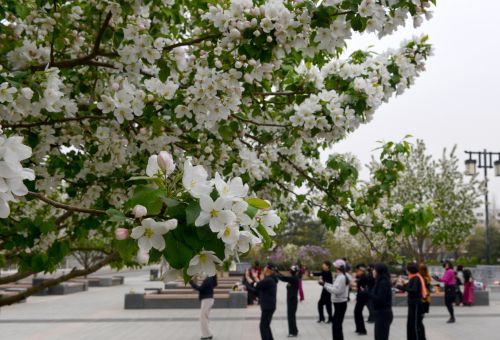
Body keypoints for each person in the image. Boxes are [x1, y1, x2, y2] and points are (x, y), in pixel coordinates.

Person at [396, 263, 427, 340]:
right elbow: (410, 287)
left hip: (416, 304)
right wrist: (403, 285)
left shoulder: (416, 278)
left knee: (415, 324)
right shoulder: (413, 278)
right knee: (411, 323)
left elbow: (414, 290)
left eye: (407, 269)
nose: (406, 271)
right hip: (412, 304)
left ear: (410, 270)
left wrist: (402, 287)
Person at [322, 259, 350, 340]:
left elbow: (337, 291)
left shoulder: (342, 277)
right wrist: (325, 284)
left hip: (340, 303)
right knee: (336, 326)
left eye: (335, 266)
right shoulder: (340, 276)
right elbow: (335, 287)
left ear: (339, 267)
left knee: (336, 326)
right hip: (339, 303)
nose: (334, 267)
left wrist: (325, 285)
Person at [366, 263, 393, 340]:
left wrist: (368, 293)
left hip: (383, 314)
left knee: (381, 337)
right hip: (380, 313)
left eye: (374, 270)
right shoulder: (379, 281)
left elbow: (380, 299)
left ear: (379, 271)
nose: (373, 271)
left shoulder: (383, 283)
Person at [253, 263, 278, 340]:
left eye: (265, 268)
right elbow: (261, 285)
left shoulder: (269, 280)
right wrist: (260, 279)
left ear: (268, 270)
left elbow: (257, 285)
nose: (263, 269)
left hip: (268, 306)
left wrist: (253, 277)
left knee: (263, 326)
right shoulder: (271, 279)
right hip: (269, 305)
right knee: (266, 325)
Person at [190, 275, 218, 340]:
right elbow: (215, 284)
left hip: (206, 300)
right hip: (208, 299)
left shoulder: (208, 279)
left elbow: (200, 289)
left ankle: (206, 335)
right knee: (205, 318)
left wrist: (191, 283)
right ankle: (208, 334)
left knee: (202, 318)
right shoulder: (211, 278)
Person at [277, 265, 300, 337]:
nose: (290, 271)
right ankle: (295, 330)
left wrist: (276, 273)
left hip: (292, 300)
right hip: (291, 299)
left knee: (291, 316)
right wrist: (277, 272)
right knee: (292, 316)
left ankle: (293, 332)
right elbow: (285, 278)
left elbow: (283, 278)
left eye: (290, 271)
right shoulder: (293, 278)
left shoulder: (294, 279)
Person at [354, 264, 370, 335]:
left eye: (358, 270)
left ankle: (362, 330)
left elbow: (362, 288)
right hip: (361, 297)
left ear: (362, 270)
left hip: (362, 297)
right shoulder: (362, 277)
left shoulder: (364, 277)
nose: (357, 272)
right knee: (357, 312)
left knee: (358, 312)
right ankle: (358, 328)